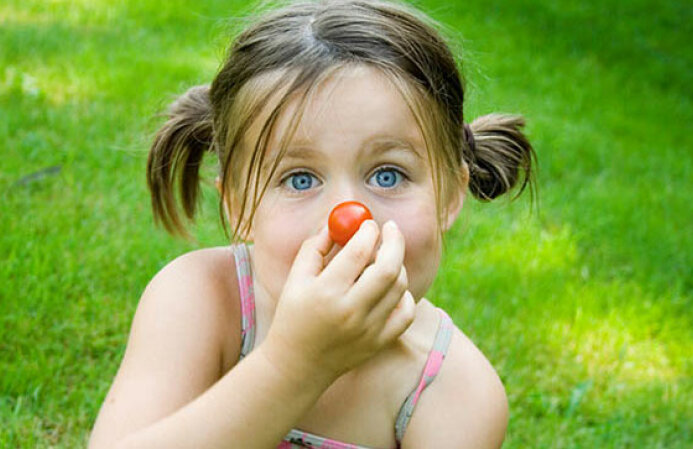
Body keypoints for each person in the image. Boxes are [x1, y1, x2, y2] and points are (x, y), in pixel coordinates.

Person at [88, 0, 536, 448]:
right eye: (300, 179)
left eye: (388, 175)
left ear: (450, 195)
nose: (349, 219)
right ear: (240, 207)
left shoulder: (456, 393)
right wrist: (295, 366)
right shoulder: (200, 299)